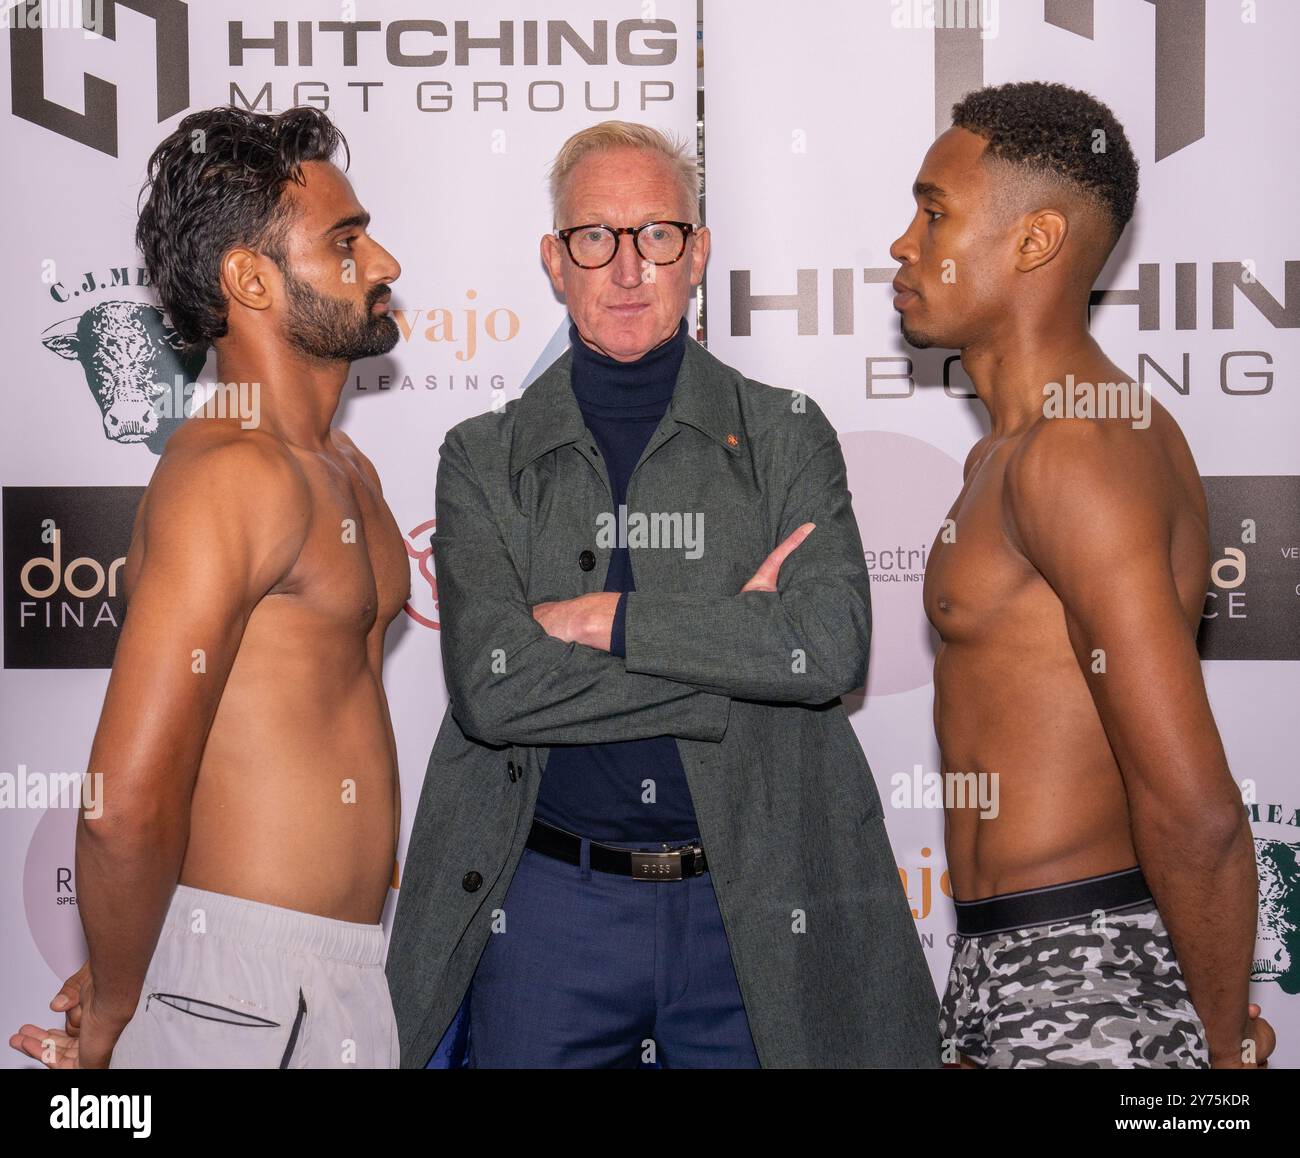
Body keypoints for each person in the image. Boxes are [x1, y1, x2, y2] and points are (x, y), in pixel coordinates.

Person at [387, 120, 938, 1068]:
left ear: (699, 253)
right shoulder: (481, 458)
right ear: (555, 262)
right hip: (550, 909)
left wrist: (607, 620)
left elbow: (830, 647)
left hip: (755, 902)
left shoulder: (787, 435)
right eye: (595, 237)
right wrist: (741, 646)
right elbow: (495, 687)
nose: (628, 267)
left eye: (658, 234)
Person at [9, 106, 407, 1069]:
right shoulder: (230, 475)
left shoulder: (344, 465)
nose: (384, 261)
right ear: (248, 279)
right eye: (346, 242)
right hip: (246, 987)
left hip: (328, 974)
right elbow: (121, 800)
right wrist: (113, 1003)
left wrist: (138, 964)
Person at [890, 81, 1273, 1068]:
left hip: (1090, 974)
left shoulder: (1080, 449)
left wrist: (1222, 1051)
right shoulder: (1007, 454)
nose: (903, 243)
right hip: (1007, 966)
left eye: (933, 213)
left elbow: (1192, 806)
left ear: (1033, 242)